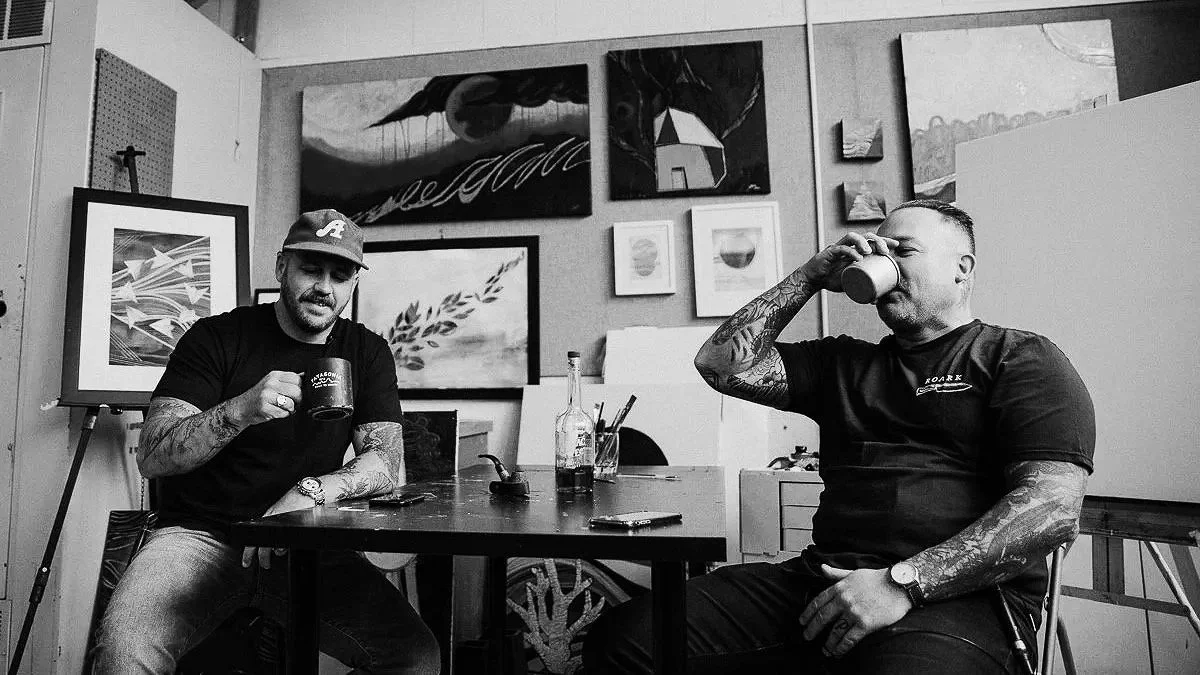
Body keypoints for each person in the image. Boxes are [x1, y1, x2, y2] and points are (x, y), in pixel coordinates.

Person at [583, 199, 1096, 674]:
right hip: (823, 581)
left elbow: (1051, 509)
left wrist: (904, 583)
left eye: (903, 251)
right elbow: (720, 364)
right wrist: (809, 276)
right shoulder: (842, 364)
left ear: (962, 268)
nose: (886, 263)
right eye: (880, 250)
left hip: (961, 598)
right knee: (626, 641)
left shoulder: (1017, 357)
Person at [91, 210, 441, 674]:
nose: (324, 287)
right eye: (310, 269)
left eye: (340, 276)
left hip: (307, 542)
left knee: (416, 658)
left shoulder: (366, 351)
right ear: (281, 267)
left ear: (353, 283)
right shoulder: (216, 337)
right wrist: (241, 409)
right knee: (123, 653)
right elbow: (154, 456)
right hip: (202, 537)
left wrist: (310, 493)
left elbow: (384, 462)